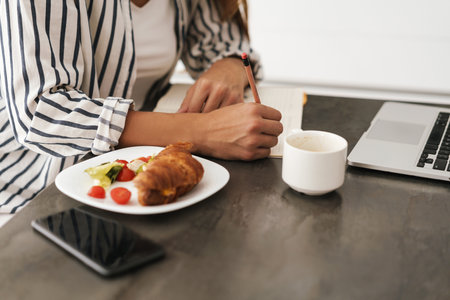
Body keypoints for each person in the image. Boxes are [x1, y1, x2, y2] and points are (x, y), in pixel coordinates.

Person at [0, 0, 283, 220]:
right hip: (30, 188)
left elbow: (223, 44)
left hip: (136, 181)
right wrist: (200, 132)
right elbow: (42, 113)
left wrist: (228, 67)